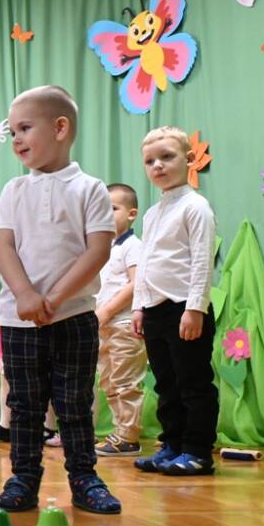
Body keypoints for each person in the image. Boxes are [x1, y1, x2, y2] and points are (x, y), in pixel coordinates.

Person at [0, 85, 120, 515]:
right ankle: (23, 477)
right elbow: (4, 247)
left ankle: (84, 477)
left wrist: (54, 298)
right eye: (12, 131)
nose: (16, 139)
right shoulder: (13, 190)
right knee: (24, 405)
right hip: (19, 320)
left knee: (74, 402)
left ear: (60, 128)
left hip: (75, 317)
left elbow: (98, 250)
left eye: (24, 128)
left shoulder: (90, 188)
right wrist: (26, 295)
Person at [132, 126, 218, 476]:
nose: (158, 166)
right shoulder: (152, 213)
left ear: (189, 159)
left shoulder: (195, 207)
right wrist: (139, 305)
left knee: (192, 383)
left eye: (167, 157)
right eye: (150, 161)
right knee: (166, 384)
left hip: (185, 309)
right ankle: (172, 444)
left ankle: (197, 451)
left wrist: (195, 308)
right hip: (155, 311)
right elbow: (146, 262)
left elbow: (202, 261)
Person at [93, 183, 147, 457]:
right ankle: (120, 432)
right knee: (109, 381)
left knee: (126, 381)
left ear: (131, 214)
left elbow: (136, 284)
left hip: (124, 324)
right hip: (104, 326)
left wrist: (108, 310)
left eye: (112, 208)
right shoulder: (105, 247)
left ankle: (129, 436)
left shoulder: (133, 246)